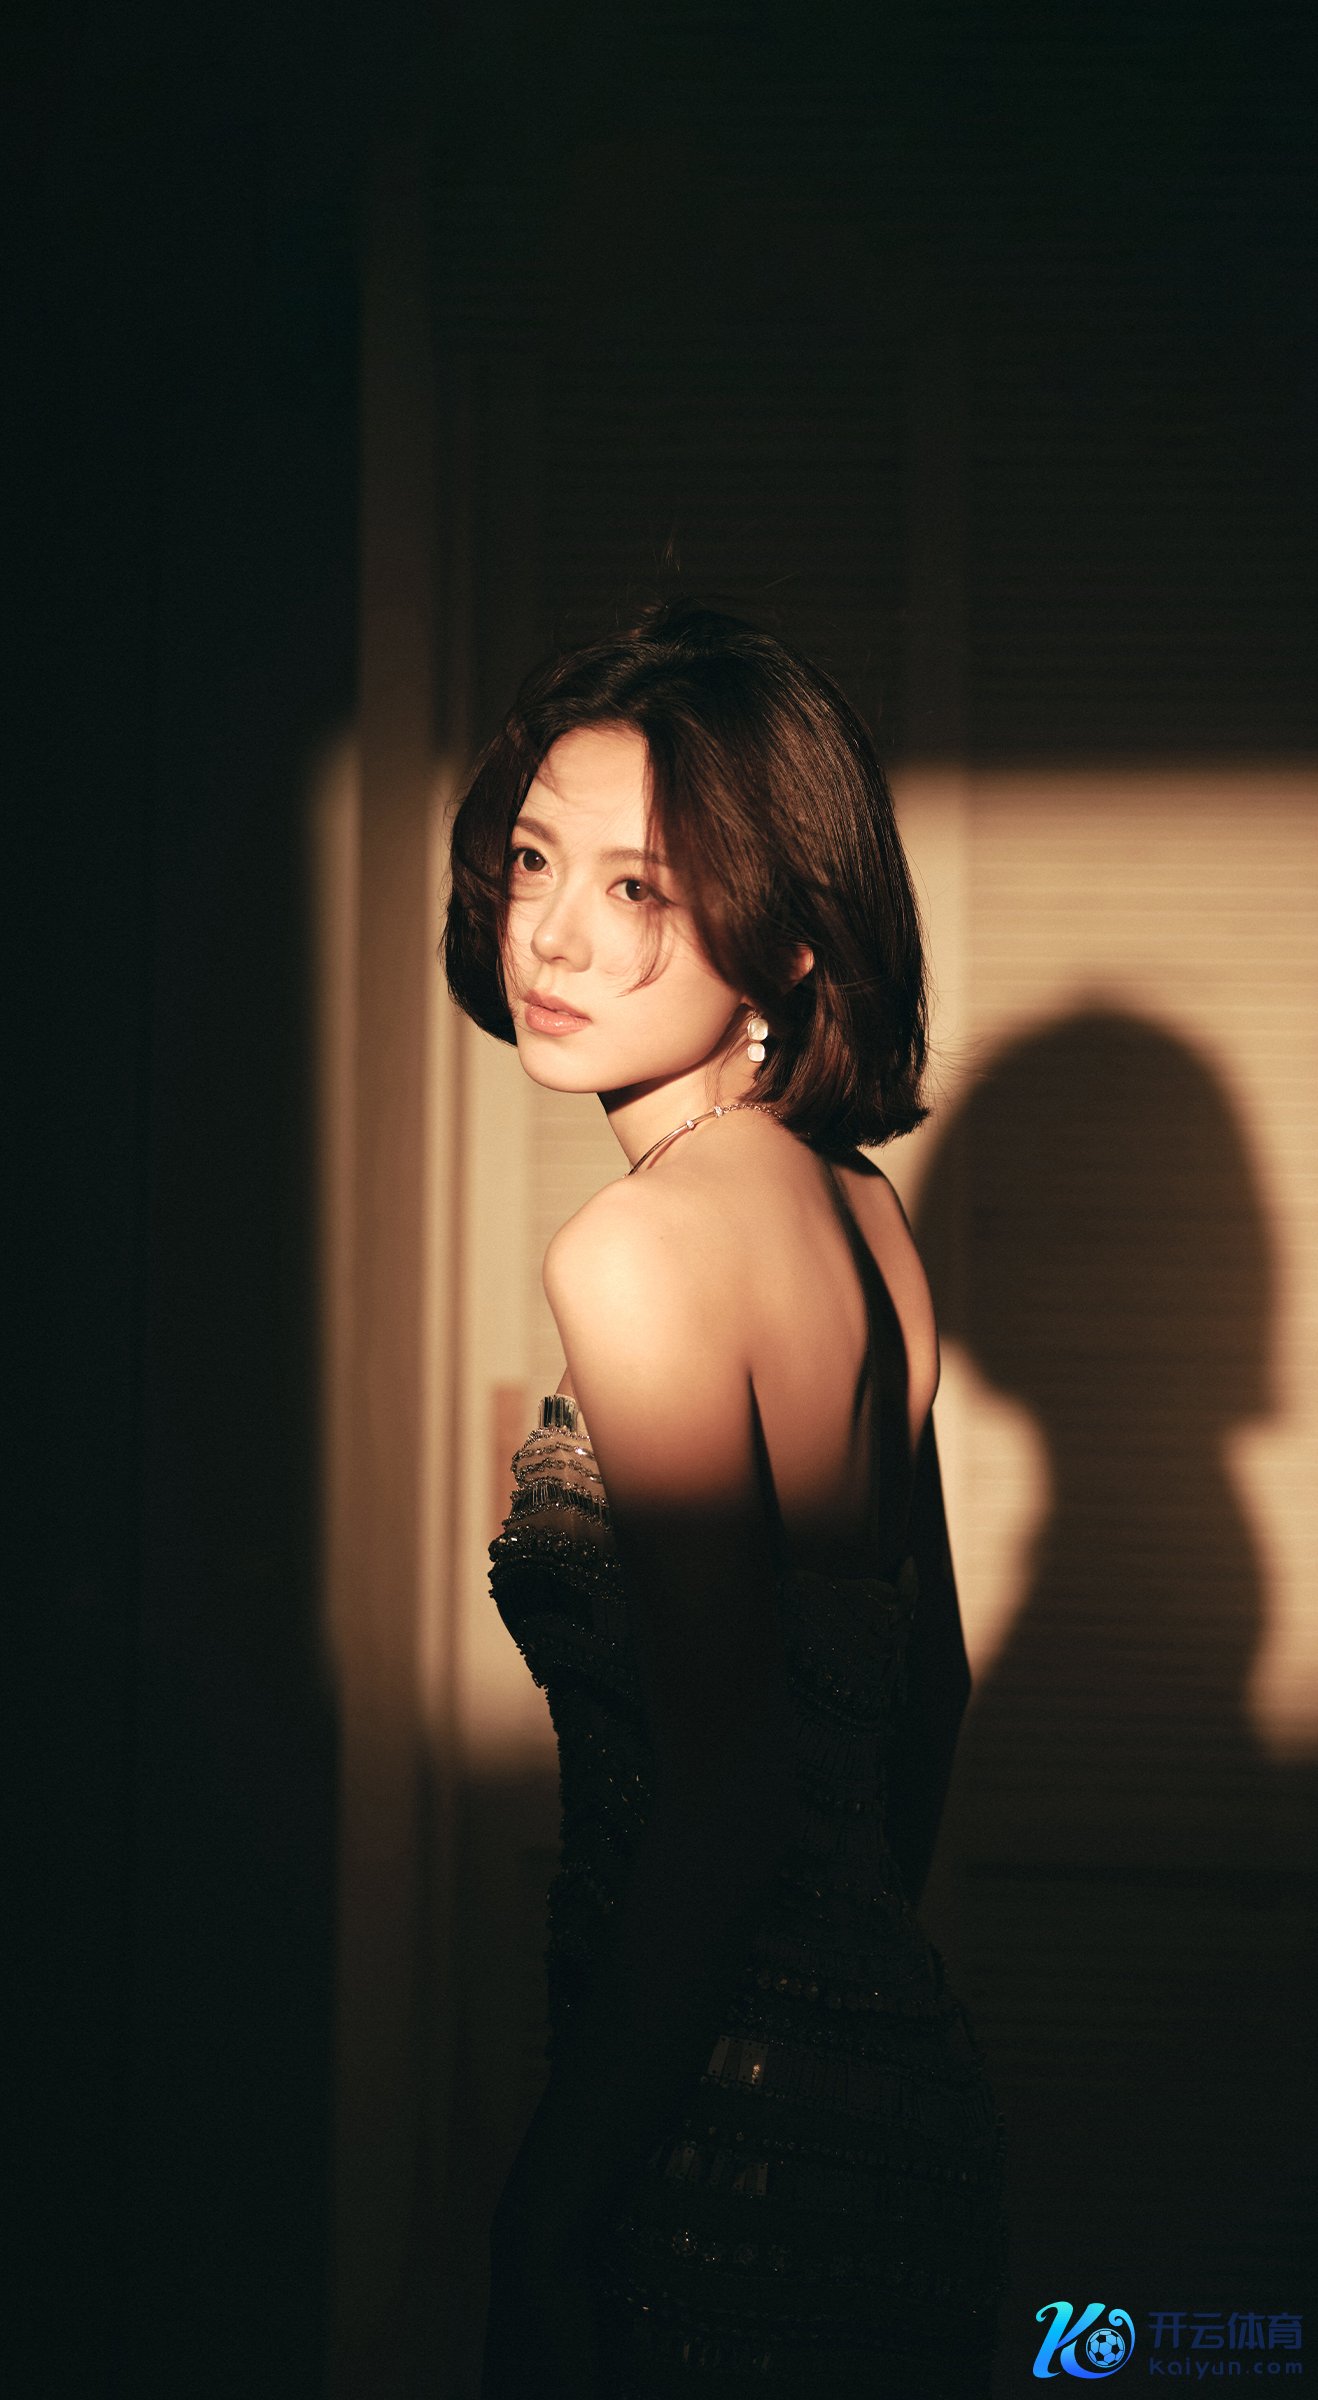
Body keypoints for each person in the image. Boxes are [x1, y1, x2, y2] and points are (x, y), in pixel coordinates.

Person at [443, 600, 1009, 2396]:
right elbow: (923, 1692)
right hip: (897, 2102)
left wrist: (546, 2218)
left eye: (639, 886)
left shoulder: (637, 1250)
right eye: (535, 858)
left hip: (710, 2139)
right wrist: (841, 1998)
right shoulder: (860, 1211)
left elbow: (720, 1788)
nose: (548, 932)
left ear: (790, 933)